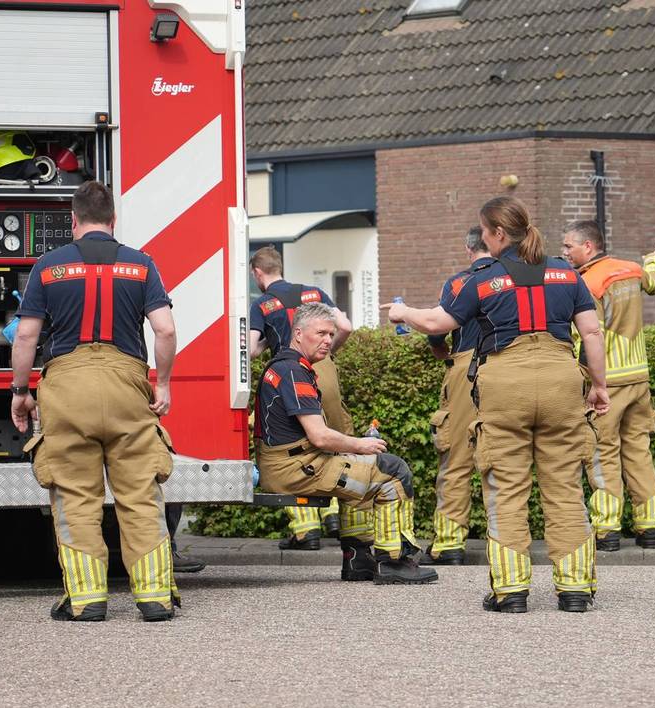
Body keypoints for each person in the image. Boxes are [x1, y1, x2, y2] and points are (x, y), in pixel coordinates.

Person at [385, 196, 610, 613]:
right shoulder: (566, 272)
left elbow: (437, 323)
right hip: (562, 382)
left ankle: (510, 592)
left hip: (505, 386)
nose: (484, 239)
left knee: (506, 490)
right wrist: (598, 385)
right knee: (564, 488)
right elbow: (592, 334)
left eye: (485, 232)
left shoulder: (484, 278)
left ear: (499, 234)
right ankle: (575, 589)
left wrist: (402, 312)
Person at [11, 181, 180, 622]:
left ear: (74, 219)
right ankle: (155, 597)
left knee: (75, 495)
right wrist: (161, 383)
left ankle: (87, 601)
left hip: (67, 388)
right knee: (140, 492)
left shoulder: (49, 266)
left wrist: (20, 391)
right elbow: (164, 330)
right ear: (113, 220)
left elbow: (26, 335)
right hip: (127, 386)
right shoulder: (141, 265)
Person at [255, 302, 437, 585]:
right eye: (321, 333)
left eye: (331, 334)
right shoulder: (294, 372)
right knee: (393, 472)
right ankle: (393, 562)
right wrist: (360, 444)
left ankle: (358, 561)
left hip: (290, 464)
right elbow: (319, 436)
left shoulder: (286, 365)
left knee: (364, 472)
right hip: (296, 468)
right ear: (299, 333)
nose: (328, 340)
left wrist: (352, 450)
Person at [560, 220, 655, 551]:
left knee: (602, 452)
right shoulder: (631, 270)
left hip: (607, 381)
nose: (563, 252)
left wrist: (584, 382)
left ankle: (607, 530)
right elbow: (654, 283)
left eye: (569, 246)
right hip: (639, 378)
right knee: (639, 450)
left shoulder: (586, 284)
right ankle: (649, 527)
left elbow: (586, 336)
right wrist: (653, 260)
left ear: (588, 247)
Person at [248, 246, 357, 550]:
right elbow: (345, 326)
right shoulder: (314, 293)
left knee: (293, 447)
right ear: (279, 266)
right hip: (325, 372)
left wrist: (272, 339)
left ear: (258, 273)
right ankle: (339, 519)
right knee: (336, 439)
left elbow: (253, 350)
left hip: (290, 376)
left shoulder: (263, 304)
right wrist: (329, 351)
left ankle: (306, 530)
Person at [421, 226, 495, 566]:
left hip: (468, 368)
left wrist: (440, 350)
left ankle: (449, 544)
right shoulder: (511, 278)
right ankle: (503, 538)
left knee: (456, 459)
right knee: (504, 457)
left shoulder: (457, 283)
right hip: (509, 367)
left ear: (468, 250)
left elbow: (437, 330)